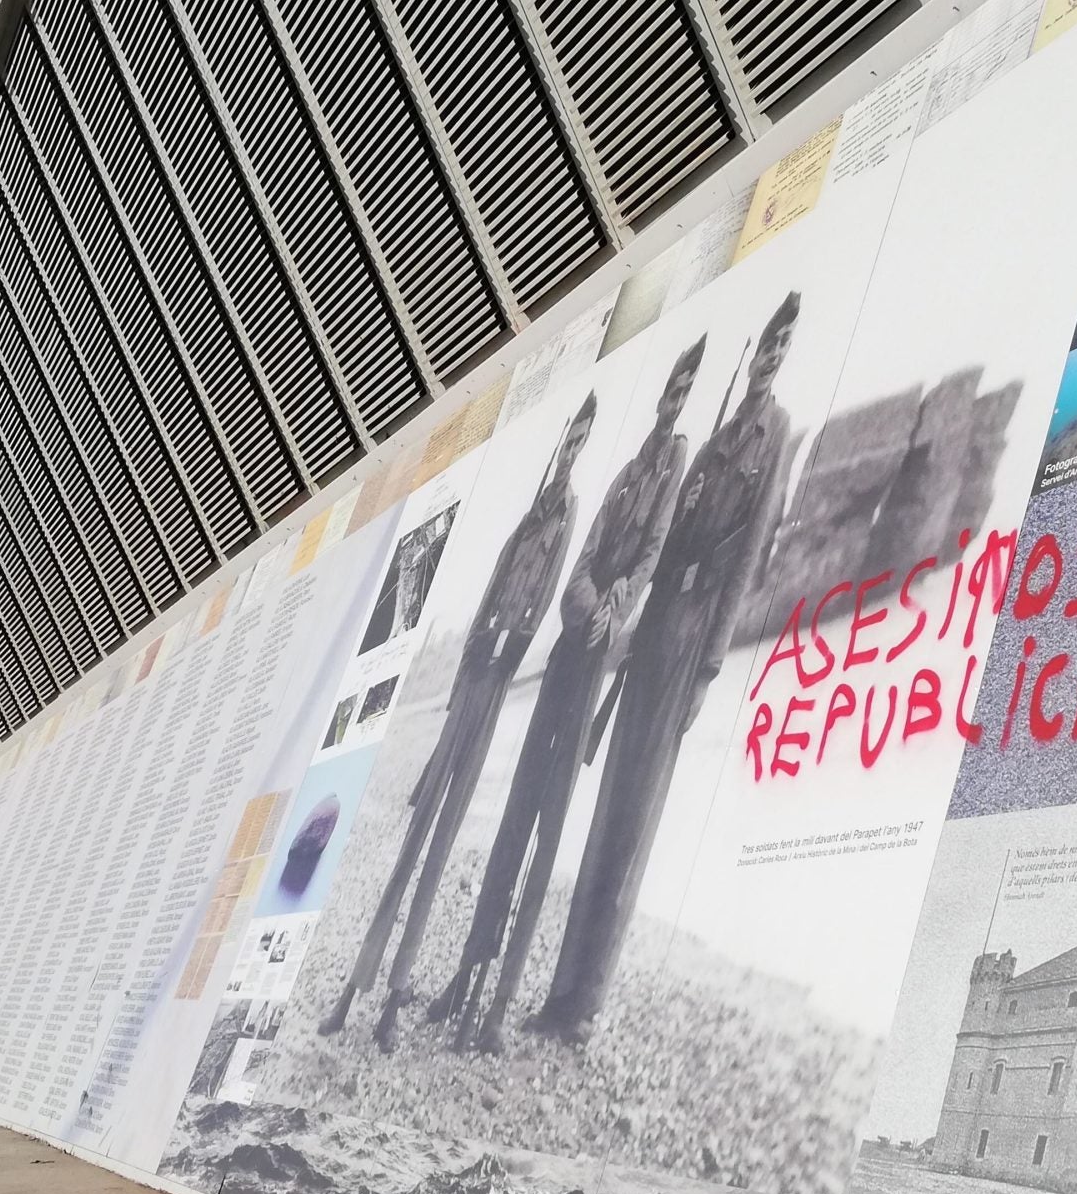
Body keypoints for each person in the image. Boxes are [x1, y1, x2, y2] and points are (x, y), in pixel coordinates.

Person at [530, 293, 800, 1046]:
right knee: (608, 810)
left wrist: (712, 666)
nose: (770, 358)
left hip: (687, 642)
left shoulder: (772, 434)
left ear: (786, 358)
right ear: (752, 355)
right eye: (766, 346)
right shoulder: (714, 439)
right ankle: (560, 996)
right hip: (651, 637)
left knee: (636, 823)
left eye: (783, 348)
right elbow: (670, 537)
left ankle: (585, 1008)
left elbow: (745, 559)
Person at [431, 341, 703, 1053]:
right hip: (566, 655)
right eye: (673, 387)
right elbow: (583, 559)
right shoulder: (620, 478)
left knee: (550, 831)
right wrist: (587, 609)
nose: (676, 399)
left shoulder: (670, 479)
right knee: (517, 815)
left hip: (594, 672)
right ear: (661, 395)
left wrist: (616, 609)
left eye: (687, 390)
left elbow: (647, 560)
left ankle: (497, 1008)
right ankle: (466, 976)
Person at [321, 395, 598, 1051]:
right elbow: (488, 599)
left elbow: (543, 610)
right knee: (413, 842)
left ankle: (394, 997)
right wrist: (474, 655)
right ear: (560, 441)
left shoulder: (563, 524)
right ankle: (354, 989)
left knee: (441, 847)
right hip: (471, 682)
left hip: (496, 691)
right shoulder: (528, 522)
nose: (570, 452)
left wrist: (509, 645)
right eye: (570, 438)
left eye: (582, 442)